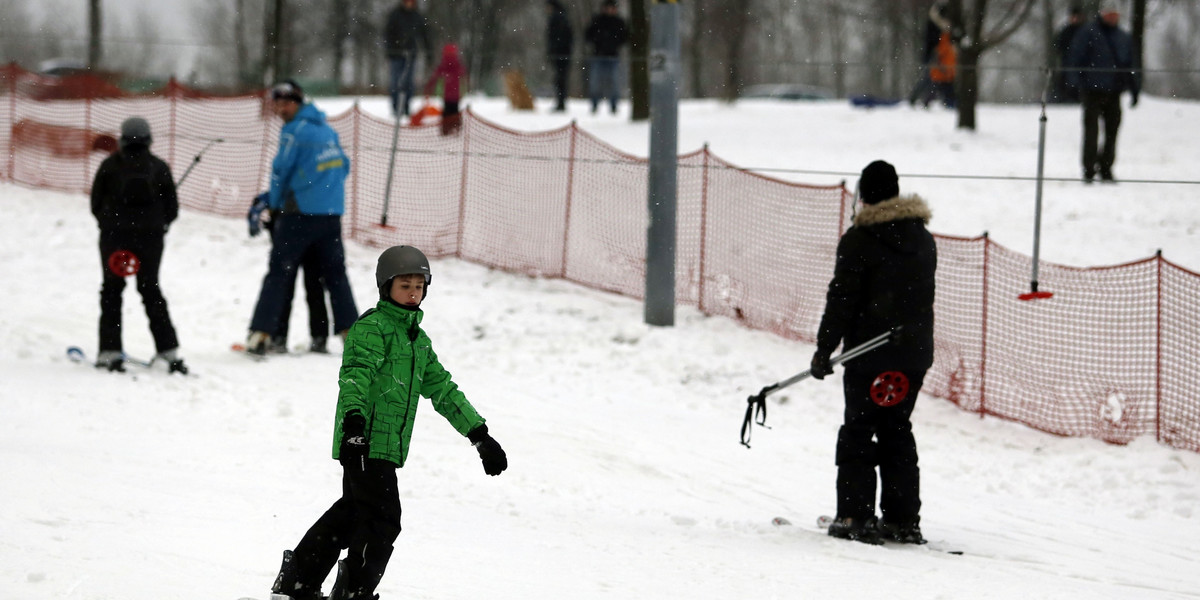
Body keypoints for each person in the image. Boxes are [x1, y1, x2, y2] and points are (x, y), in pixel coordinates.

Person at [268, 245, 508, 600]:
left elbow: (442, 389)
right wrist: (353, 425)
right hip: (364, 439)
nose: (413, 293)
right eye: (404, 286)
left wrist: (479, 434)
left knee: (353, 513)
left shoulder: (418, 342)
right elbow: (355, 376)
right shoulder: (372, 328)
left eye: (419, 286)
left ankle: (299, 580)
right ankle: (355, 590)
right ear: (386, 287)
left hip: (387, 446)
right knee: (383, 517)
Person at [809, 160, 936, 546]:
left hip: (870, 354)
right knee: (897, 429)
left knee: (859, 432)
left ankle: (855, 515)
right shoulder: (923, 239)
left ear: (863, 195)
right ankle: (902, 520)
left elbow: (842, 299)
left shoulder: (860, 240)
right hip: (912, 355)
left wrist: (824, 349)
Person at [246, 80, 358, 356]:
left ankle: (262, 334)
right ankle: (351, 335)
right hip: (330, 215)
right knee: (335, 276)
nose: (281, 109)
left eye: (286, 103)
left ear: (297, 102)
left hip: (299, 216)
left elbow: (281, 171)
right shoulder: (327, 131)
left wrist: (273, 203)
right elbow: (344, 166)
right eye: (277, 104)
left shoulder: (294, 132)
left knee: (279, 274)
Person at [90, 117, 188, 375]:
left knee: (112, 291)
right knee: (150, 290)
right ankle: (169, 351)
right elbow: (172, 209)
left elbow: (95, 204)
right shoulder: (159, 167)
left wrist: (110, 224)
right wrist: (157, 224)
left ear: (122, 138)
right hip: (151, 239)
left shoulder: (109, 166)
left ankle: (109, 351)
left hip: (114, 237)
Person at [248, 194, 331, 354]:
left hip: (292, 232)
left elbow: (264, 200)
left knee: (287, 286)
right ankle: (318, 337)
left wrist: (256, 214)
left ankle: (281, 337)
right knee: (312, 286)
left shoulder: (287, 185)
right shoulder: (314, 185)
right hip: (311, 228)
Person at [1066, 3, 1139, 183]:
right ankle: (1089, 168)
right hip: (1091, 91)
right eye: (1110, 14)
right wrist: (1075, 85)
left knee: (1112, 131)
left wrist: (1134, 88)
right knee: (1091, 131)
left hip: (1114, 91)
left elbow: (1130, 65)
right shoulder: (1087, 33)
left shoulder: (1123, 37)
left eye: (1115, 14)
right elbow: (1075, 58)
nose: (1113, 17)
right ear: (1102, 14)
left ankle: (1106, 167)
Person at [384, 0, 433, 119]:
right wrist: (390, 50)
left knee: (409, 83)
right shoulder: (395, 15)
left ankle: (406, 107)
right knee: (396, 82)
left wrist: (429, 52)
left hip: (411, 55)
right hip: (396, 54)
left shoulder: (417, 16)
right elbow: (388, 34)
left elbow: (424, 35)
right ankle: (396, 108)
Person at [584, 0, 628, 114]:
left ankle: (613, 105)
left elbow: (624, 38)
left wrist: (614, 44)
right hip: (598, 56)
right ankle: (594, 104)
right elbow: (588, 36)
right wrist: (599, 42)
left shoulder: (619, 22)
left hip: (613, 57)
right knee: (595, 83)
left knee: (614, 83)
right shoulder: (597, 21)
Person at [908, 1, 954, 108]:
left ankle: (924, 100)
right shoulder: (935, 24)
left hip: (939, 56)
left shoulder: (941, 25)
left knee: (933, 80)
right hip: (934, 56)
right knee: (930, 79)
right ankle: (916, 99)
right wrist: (936, 56)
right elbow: (932, 42)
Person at [423, 43, 467, 136]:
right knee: (455, 111)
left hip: (446, 94)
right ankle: (456, 128)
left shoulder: (443, 65)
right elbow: (464, 78)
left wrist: (428, 88)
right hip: (456, 94)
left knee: (446, 111)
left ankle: (446, 129)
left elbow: (434, 77)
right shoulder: (458, 65)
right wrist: (464, 90)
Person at [1051, 5, 1085, 103]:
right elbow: (1058, 47)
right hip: (1068, 65)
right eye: (1073, 16)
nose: (1075, 19)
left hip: (1083, 65)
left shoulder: (1086, 31)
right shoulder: (1065, 32)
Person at [546, 0, 574, 112]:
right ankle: (561, 101)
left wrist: (554, 51)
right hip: (563, 53)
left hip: (560, 54)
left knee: (560, 79)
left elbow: (557, 37)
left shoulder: (557, 19)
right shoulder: (563, 18)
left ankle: (561, 102)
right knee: (561, 79)